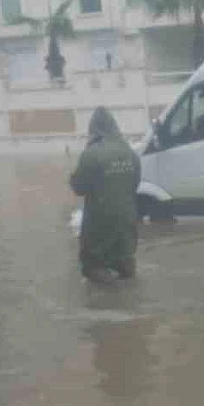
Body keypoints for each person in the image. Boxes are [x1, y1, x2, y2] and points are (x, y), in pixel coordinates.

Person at [70, 107, 141, 284]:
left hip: (100, 222)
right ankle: (130, 298)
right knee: (125, 262)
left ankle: (109, 304)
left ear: (93, 129)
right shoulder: (130, 153)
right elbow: (135, 184)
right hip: (127, 220)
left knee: (93, 268)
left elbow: (79, 187)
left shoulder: (91, 154)